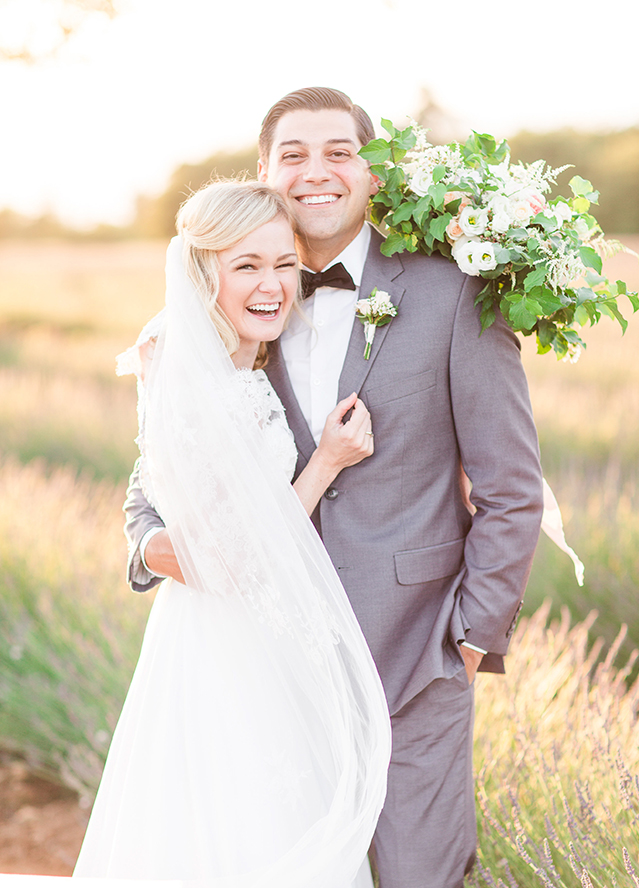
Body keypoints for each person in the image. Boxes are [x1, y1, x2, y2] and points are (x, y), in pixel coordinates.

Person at [124, 88, 545, 888]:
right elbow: (158, 477)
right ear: (264, 173)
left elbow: (512, 486)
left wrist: (471, 638)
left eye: (338, 152)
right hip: (265, 667)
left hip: (412, 661)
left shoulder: (455, 293)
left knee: (420, 875)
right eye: (293, 155)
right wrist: (149, 548)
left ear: (373, 170)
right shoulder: (221, 311)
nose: (315, 172)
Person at [73, 180, 391, 888]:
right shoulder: (191, 380)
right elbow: (222, 559)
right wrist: (326, 464)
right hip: (227, 646)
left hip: (263, 641)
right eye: (247, 265)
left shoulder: (235, 368)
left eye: (285, 264)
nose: (273, 284)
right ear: (202, 271)